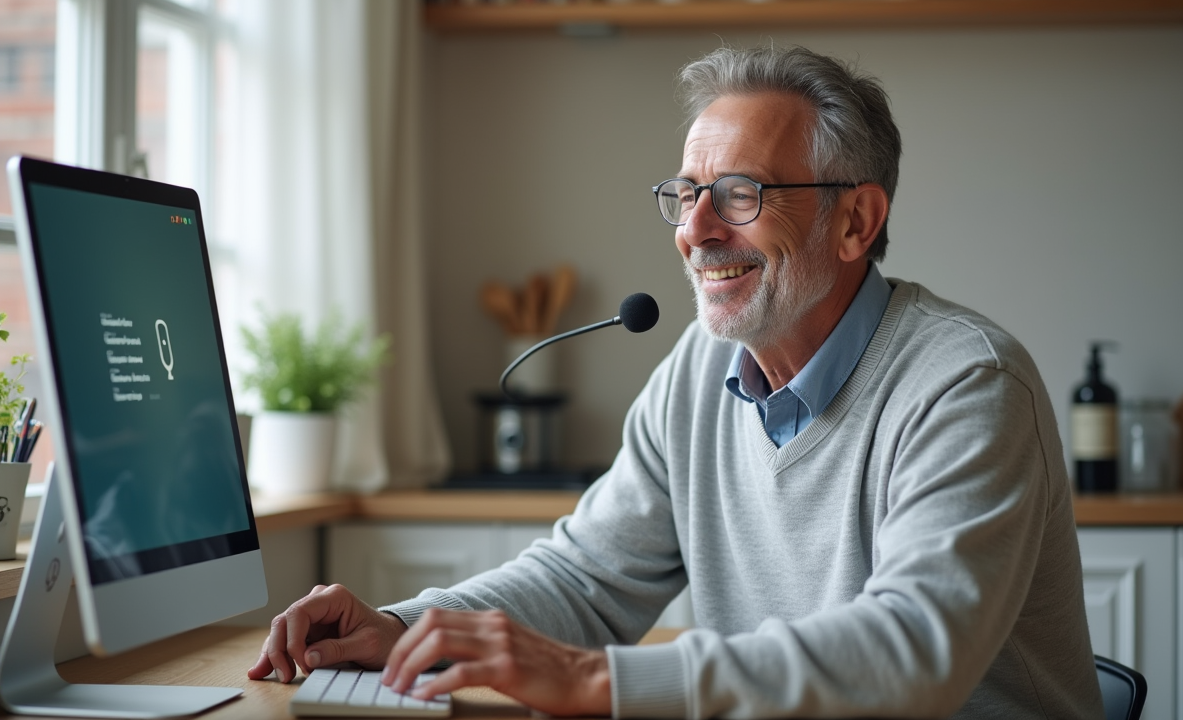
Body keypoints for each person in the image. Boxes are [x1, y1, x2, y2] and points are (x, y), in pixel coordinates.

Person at [249, 45, 1103, 718]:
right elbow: (586, 579)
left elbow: (914, 651)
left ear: (855, 221)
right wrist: (405, 626)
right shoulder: (699, 368)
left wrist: (598, 682)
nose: (694, 230)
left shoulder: (967, 383)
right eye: (686, 192)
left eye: (738, 194)